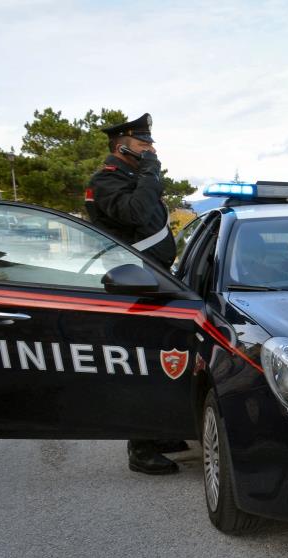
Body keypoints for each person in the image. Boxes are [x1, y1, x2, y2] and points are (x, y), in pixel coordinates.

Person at [85, 113, 183, 475]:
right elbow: (136, 213)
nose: (151, 150)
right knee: (141, 365)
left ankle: (156, 433)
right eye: (144, 145)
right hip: (131, 284)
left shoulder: (134, 178)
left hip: (152, 280)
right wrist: (151, 174)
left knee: (156, 362)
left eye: (151, 144)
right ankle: (140, 448)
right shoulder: (106, 181)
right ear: (121, 147)